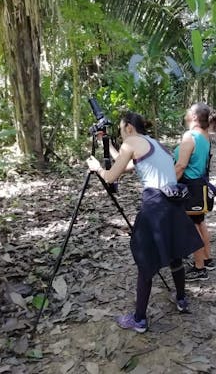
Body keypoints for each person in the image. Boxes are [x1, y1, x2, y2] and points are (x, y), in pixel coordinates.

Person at [86, 112, 204, 333]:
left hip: (155, 207)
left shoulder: (130, 142)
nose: (121, 135)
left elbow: (111, 176)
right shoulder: (153, 143)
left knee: (145, 261)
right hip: (173, 203)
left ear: (129, 128)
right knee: (174, 254)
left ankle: (139, 319)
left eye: (121, 130)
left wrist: (97, 168)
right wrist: (109, 143)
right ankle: (181, 299)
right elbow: (127, 165)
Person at [174, 103, 216, 282]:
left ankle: (199, 268)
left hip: (189, 187)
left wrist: (167, 185)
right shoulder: (204, 135)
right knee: (199, 222)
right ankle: (207, 259)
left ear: (193, 116)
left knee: (192, 227)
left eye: (188, 110)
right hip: (199, 186)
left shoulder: (190, 135)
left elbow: (181, 165)